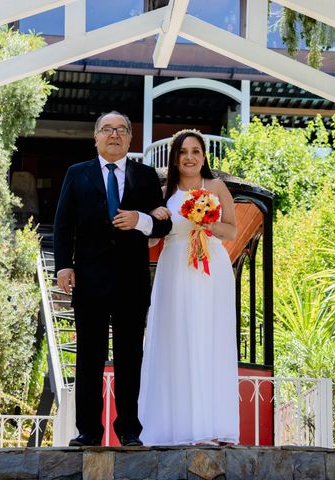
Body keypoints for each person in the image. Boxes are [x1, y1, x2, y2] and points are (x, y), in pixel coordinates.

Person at [54, 111, 172, 447]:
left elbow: (162, 224)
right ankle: (88, 432)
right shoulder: (76, 174)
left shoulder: (146, 176)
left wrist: (140, 220)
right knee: (89, 359)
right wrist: (63, 266)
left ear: (130, 139)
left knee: (129, 358)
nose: (114, 135)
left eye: (121, 130)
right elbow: (63, 225)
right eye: (107, 129)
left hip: (131, 283)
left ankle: (129, 430)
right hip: (88, 281)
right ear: (96, 137)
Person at [138, 129, 240, 445]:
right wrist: (150, 219)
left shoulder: (217, 186)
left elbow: (232, 231)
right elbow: (154, 237)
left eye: (196, 151)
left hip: (212, 270)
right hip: (175, 268)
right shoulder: (164, 192)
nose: (190, 157)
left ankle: (212, 425)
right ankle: (174, 427)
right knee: (175, 339)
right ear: (175, 158)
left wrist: (206, 222)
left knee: (211, 339)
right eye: (183, 152)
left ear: (204, 156)